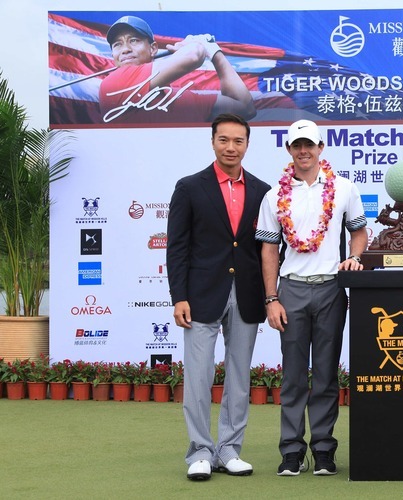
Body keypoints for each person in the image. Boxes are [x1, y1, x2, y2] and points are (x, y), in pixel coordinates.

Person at [256, 119, 368, 477]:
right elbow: (269, 250)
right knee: (292, 376)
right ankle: (291, 451)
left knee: (325, 374)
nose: (303, 151)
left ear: (321, 147)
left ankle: (323, 449)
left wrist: (355, 257)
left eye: (309, 144)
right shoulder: (274, 196)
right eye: (297, 145)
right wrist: (271, 298)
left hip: (331, 289)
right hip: (290, 289)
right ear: (289, 150)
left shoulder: (344, 188)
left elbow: (359, 231)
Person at [166, 113, 270, 481]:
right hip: (200, 296)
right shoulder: (189, 187)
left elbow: (265, 249)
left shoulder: (262, 191)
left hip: (247, 294)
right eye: (224, 140)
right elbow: (177, 247)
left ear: (247, 145)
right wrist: (179, 296)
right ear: (213, 142)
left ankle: (229, 450)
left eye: (238, 141)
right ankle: (199, 451)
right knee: (198, 376)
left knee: (239, 377)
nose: (230, 147)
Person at [99, 15, 256, 124]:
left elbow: (245, 108)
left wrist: (214, 52)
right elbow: (193, 55)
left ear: (153, 49)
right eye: (117, 44)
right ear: (112, 54)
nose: (125, 49)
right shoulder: (112, 85)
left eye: (134, 40)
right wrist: (194, 45)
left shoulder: (183, 99)